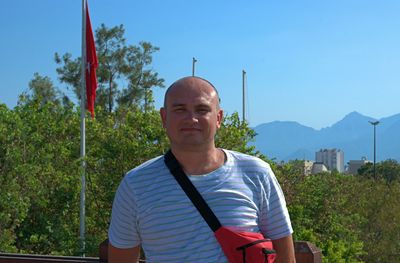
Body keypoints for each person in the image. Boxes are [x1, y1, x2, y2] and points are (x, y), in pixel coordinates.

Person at [108, 76, 295, 262]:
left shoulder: (256, 173)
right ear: (164, 117)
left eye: (202, 109)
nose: (191, 119)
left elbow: (285, 257)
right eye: (180, 109)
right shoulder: (135, 185)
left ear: (218, 118)